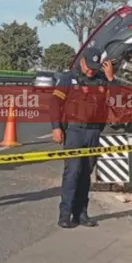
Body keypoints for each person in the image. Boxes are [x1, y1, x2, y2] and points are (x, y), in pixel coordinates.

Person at [49, 45, 115, 229]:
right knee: (72, 172)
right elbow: (55, 103)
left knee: (86, 174)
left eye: (95, 68)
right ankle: (65, 214)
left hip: (94, 132)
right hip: (74, 131)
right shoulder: (68, 78)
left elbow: (119, 102)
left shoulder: (102, 80)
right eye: (88, 67)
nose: (90, 71)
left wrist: (111, 79)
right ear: (82, 60)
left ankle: (81, 214)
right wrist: (56, 127)